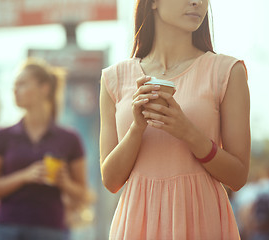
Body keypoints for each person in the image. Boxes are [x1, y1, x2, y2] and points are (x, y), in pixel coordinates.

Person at [99, 0, 250, 239]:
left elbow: (238, 177)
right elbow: (111, 180)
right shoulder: (114, 78)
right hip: (137, 224)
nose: (197, 2)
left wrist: (187, 131)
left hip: (202, 222)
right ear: (154, 3)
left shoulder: (228, 71)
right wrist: (137, 128)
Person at [0, 58, 88, 240]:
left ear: (44, 88)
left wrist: (65, 182)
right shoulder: (1, 136)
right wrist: (25, 176)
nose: (15, 90)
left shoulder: (70, 138)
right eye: (15, 85)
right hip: (6, 229)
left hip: (52, 230)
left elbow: (82, 194)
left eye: (22, 84)